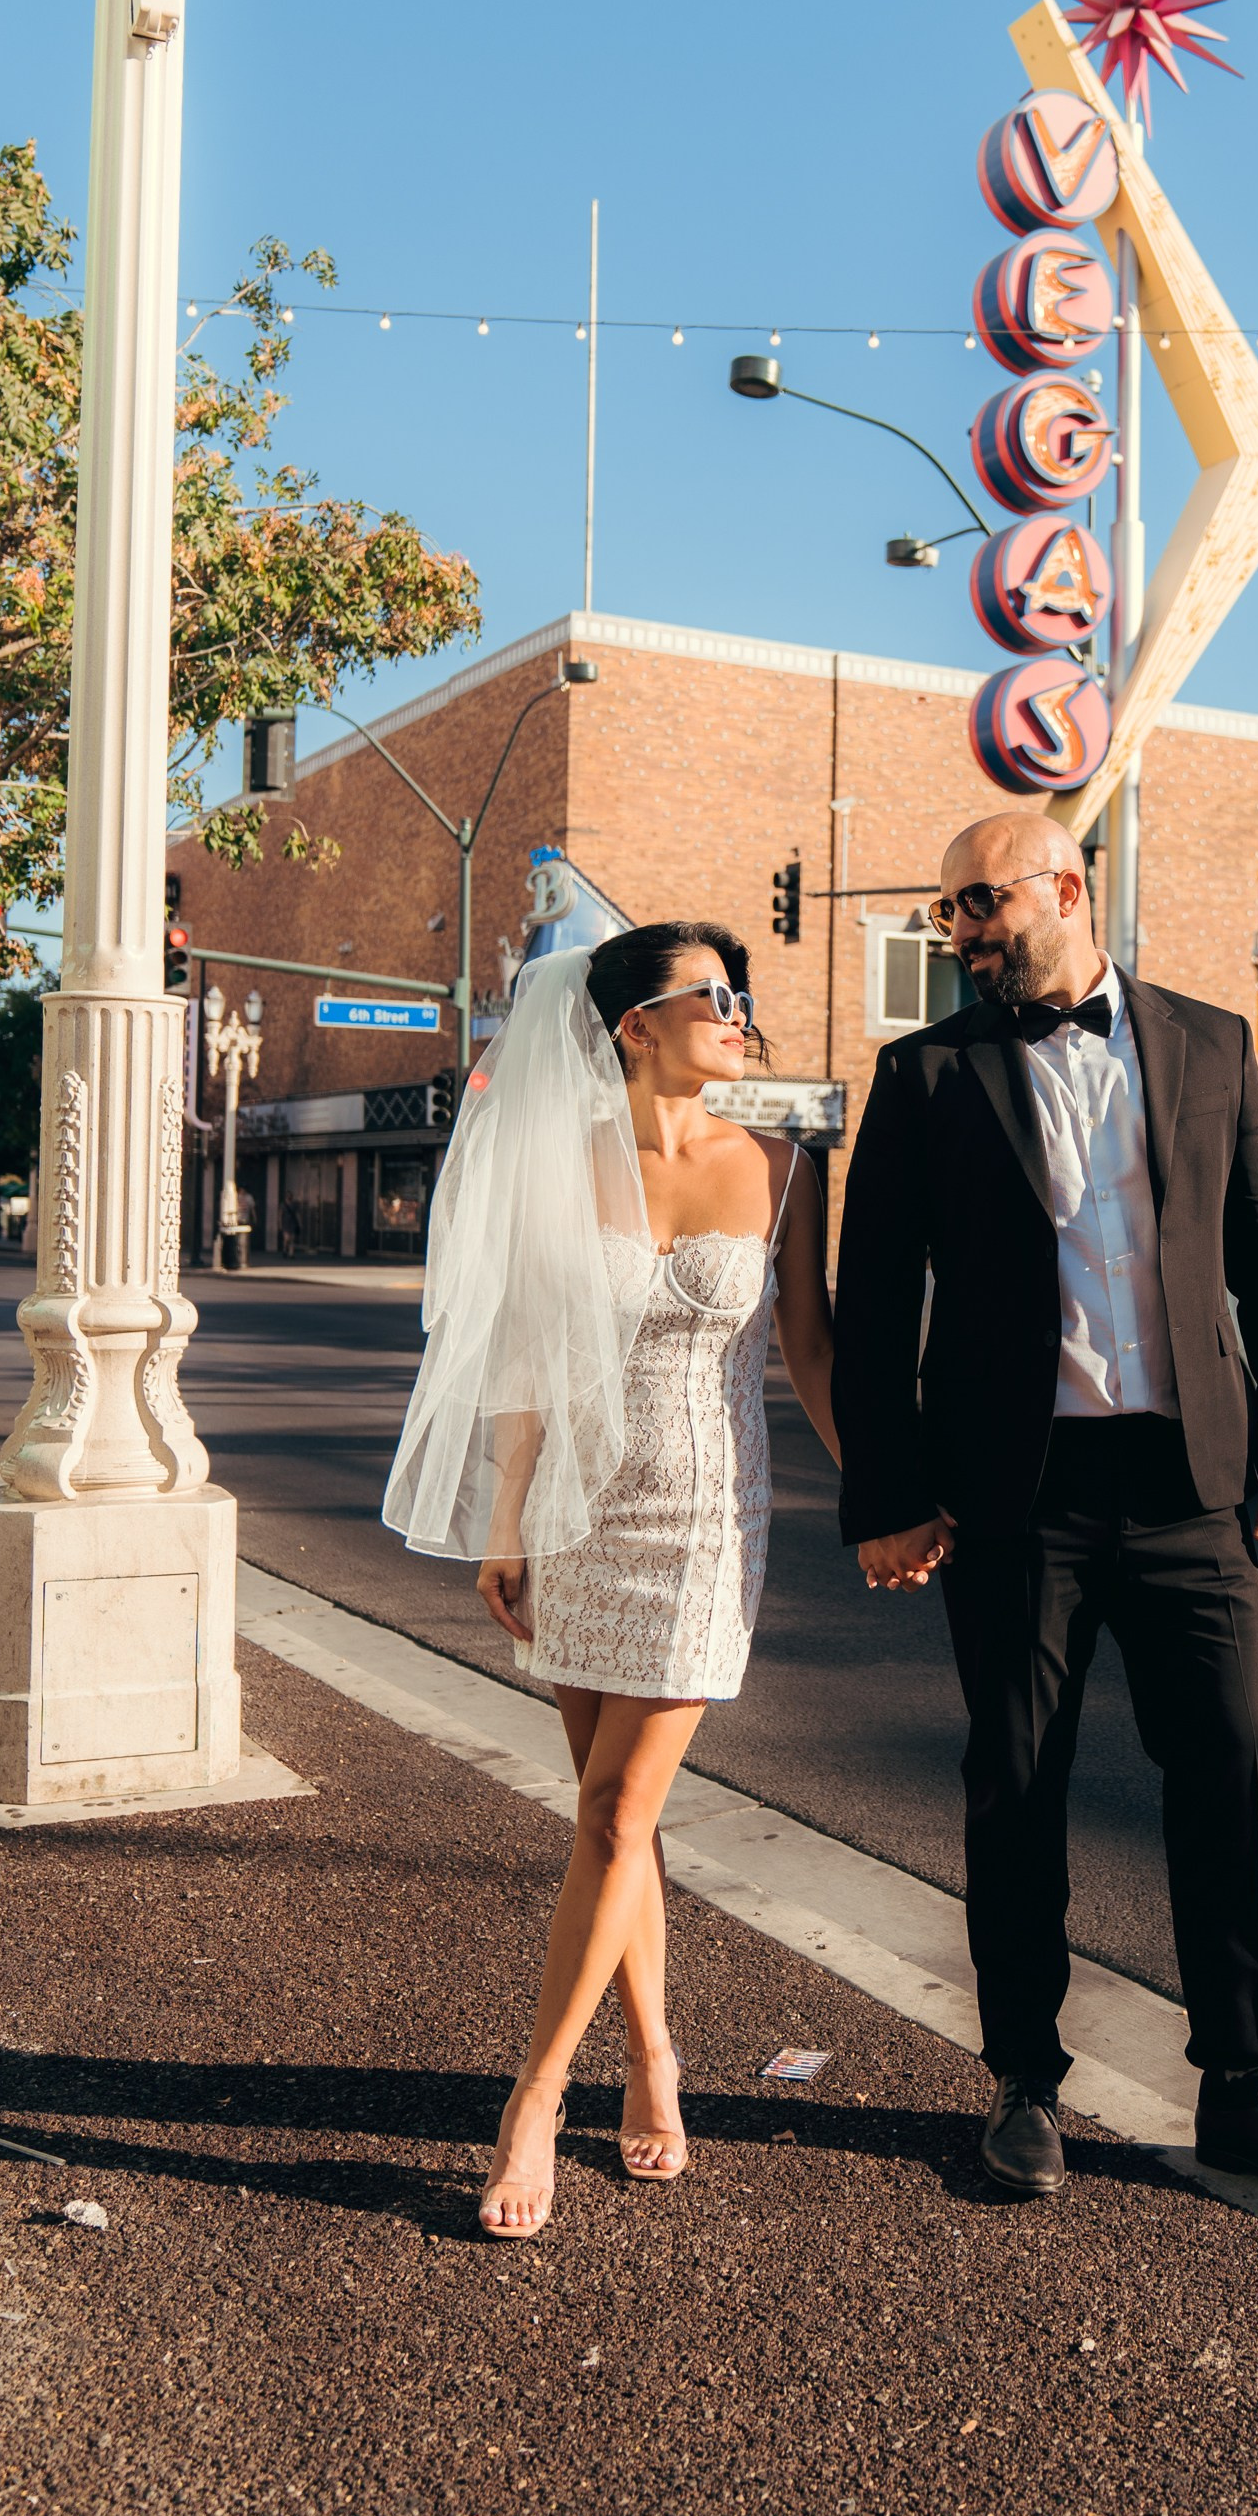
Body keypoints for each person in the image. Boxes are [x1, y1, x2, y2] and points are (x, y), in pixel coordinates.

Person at [832, 813, 1258, 2211]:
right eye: (948, 910)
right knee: (1017, 1785)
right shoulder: (927, 1073)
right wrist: (886, 1494)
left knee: (1235, 1769)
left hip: (1191, 1484)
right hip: (1018, 1495)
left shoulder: (1205, 1043)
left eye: (979, 902)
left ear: (1066, 889)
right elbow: (879, 1299)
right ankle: (1025, 2080)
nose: (961, 931)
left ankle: (1245, 2089)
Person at [383, 924, 837, 2238]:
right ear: (637, 1023)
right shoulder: (562, 1165)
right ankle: (652, 2056)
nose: (739, 1014)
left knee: (613, 1809)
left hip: (708, 1522)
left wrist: (885, 1488)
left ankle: (533, 2098)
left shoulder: (787, 1167)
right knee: (611, 1819)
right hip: (581, 1513)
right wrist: (507, 1523)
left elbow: (808, 1346)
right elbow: (528, 1357)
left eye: (740, 995)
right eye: (714, 995)